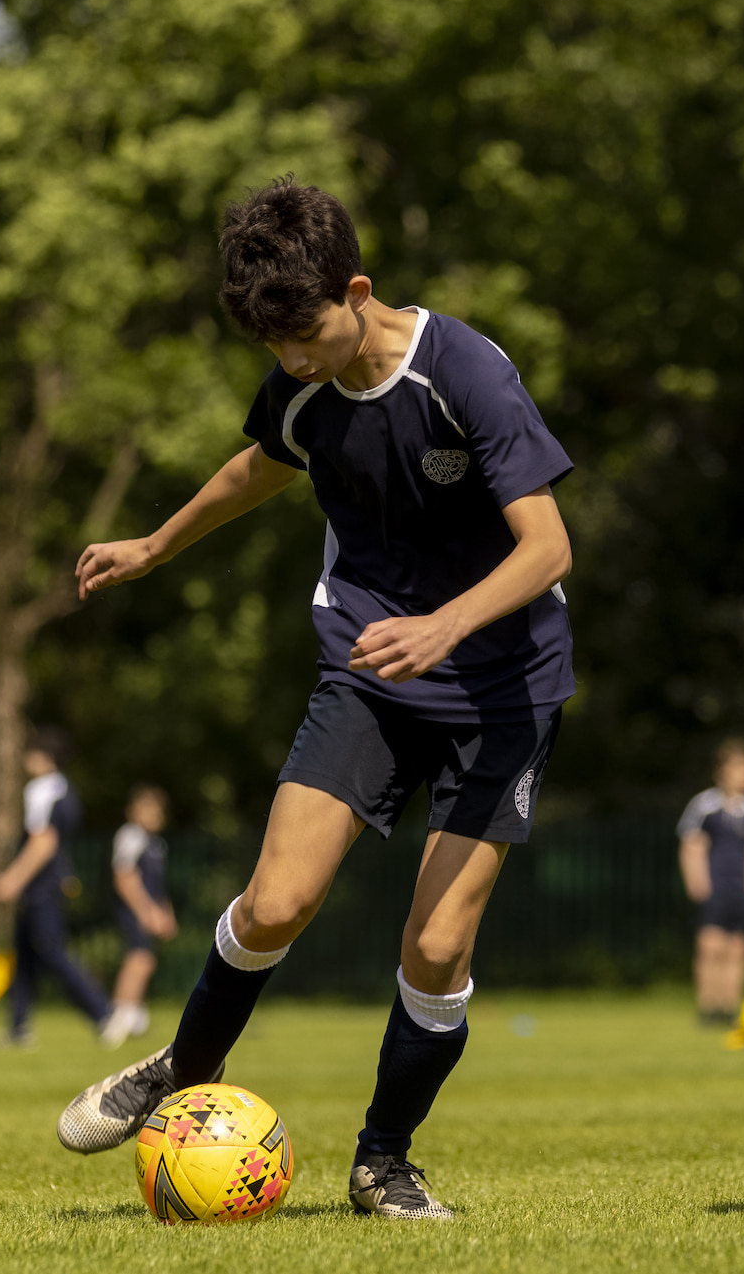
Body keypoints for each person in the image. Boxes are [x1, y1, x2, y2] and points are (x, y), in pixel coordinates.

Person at [54, 176, 574, 1221]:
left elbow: (551, 546)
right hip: (370, 667)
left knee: (434, 949)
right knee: (278, 901)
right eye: (272, 343)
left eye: (306, 332)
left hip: (502, 683)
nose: (293, 358)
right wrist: (155, 544)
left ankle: (383, 1161)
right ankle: (180, 1073)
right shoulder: (301, 387)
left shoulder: (465, 373)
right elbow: (264, 467)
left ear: (358, 289)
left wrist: (444, 626)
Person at [0, 726, 113, 1047]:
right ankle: (18, 1028)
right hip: (52, 883)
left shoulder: (41, 789)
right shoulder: (67, 790)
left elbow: (43, 842)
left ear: (45, 757)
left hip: (40, 886)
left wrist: (12, 879)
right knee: (26, 955)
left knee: (51, 951)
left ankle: (103, 1012)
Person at [677, 738, 744, 1026]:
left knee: (737, 949)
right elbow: (691, 845)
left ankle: (728, 1010)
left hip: (742, 890)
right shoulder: (704, 805)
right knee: (710, 947)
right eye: (740, 767)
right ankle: (708, 1010)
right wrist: (696, 880)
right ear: (722, 771)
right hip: (714, 887)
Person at [100, 783, 177, 1048]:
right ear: (132, 811)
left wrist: (166, 913)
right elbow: (124, 876)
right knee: (138, 960)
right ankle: (119, 1014)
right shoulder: (130, 836)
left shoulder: (157, 844)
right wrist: (146, 911)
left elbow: (159, 885)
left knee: (146, 961)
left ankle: (132, 1012)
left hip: (150, 909)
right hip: (135, 910)